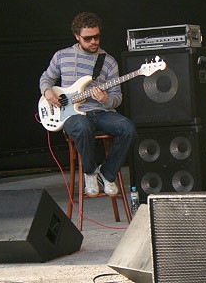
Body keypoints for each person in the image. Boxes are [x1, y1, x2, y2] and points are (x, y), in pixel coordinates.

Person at [40, 12, 137, 196]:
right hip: (71, 114)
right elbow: (46, 78)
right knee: (82, 126)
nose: (94, 41)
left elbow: (117, 97)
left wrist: (105, 99)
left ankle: (106, 174)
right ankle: (90, 173)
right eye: (88, 38)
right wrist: (47, 92)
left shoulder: (108, 61)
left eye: (97, 37)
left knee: (128, 128)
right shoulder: (62, 56)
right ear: (77, 36)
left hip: (101, 112)